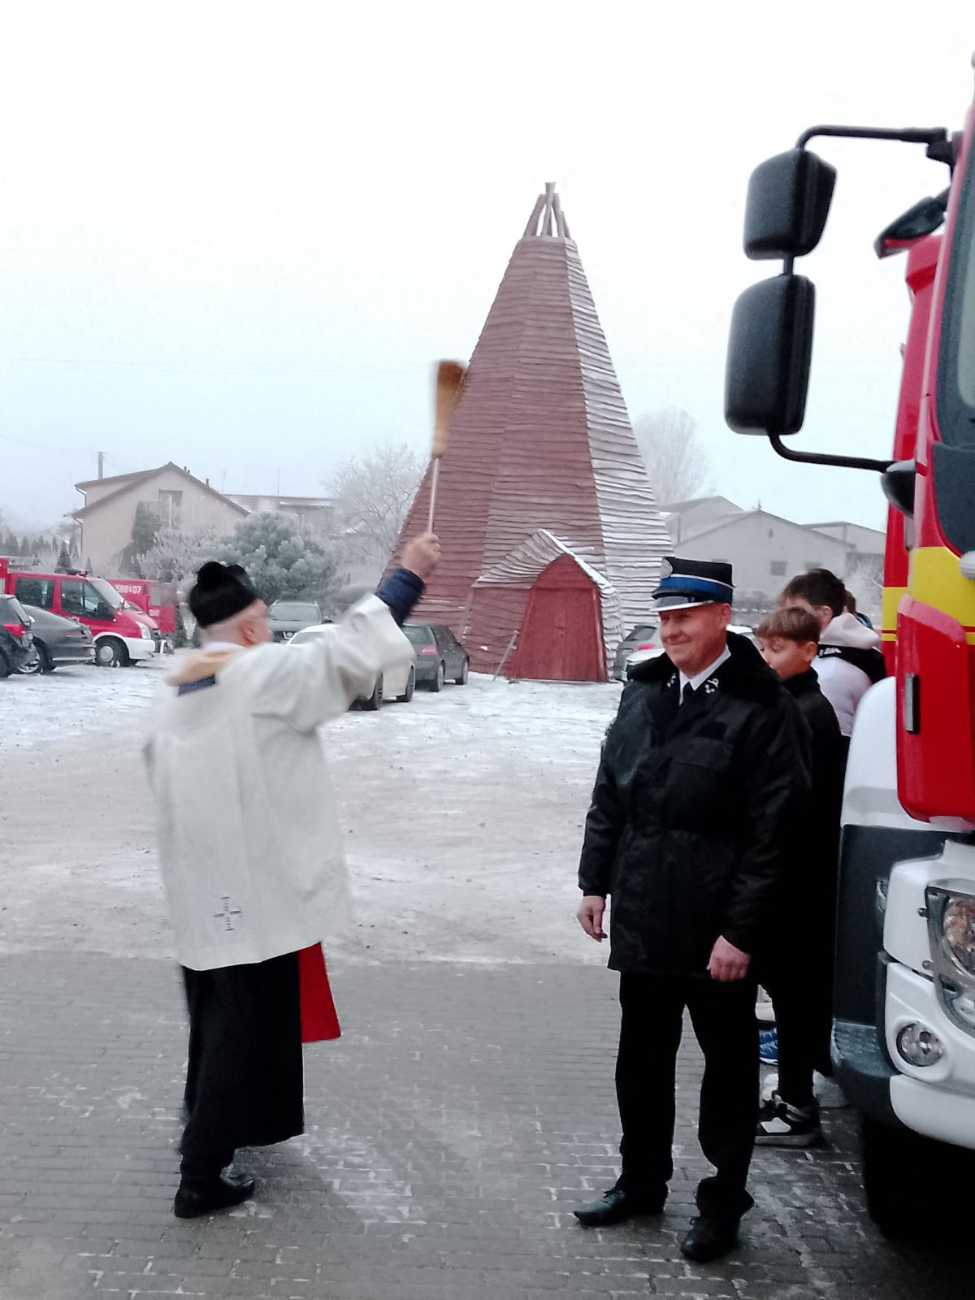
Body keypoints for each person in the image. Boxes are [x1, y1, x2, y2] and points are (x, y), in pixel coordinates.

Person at [144, 533, 440, 1218]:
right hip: (253, 894)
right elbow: (344, 651)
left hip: (203, 893)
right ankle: (200, 1172)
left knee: (217, 1023)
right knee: (239, 1031)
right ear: (250, 622)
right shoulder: (257, 671)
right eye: (267, 616)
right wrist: (407, 576)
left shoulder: (187, 678)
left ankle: (210, 1128)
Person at [573, 558, 810, 1263]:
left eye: (683, 617)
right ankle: (640, 1182)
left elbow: (777, 834)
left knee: (727, 1070)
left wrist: (740, 931)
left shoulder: (763, 707)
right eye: (663, 617)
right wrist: (594, 881)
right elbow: (610, 792)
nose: (669, 629)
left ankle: (721, 1202)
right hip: (646, 912)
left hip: (716, 932)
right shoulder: (645, 692)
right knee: (639, 1063)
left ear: (719, 617)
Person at [753, 606, 845, 1148]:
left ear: (809, 651)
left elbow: (792, 804)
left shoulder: (808, 712)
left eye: (778, 650)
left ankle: (797, 1106)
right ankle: (792, 1095)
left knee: (793, 994)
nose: (768, 659)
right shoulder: (795, 703)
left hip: (798, 879)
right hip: (793, 875)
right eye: (764, 649)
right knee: (788, 993)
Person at [778, 569, 885, 740]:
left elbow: (832, 751)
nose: (784, 621)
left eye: (795, 612)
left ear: (824, 614)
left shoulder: (830, 675)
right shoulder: (852, 654)